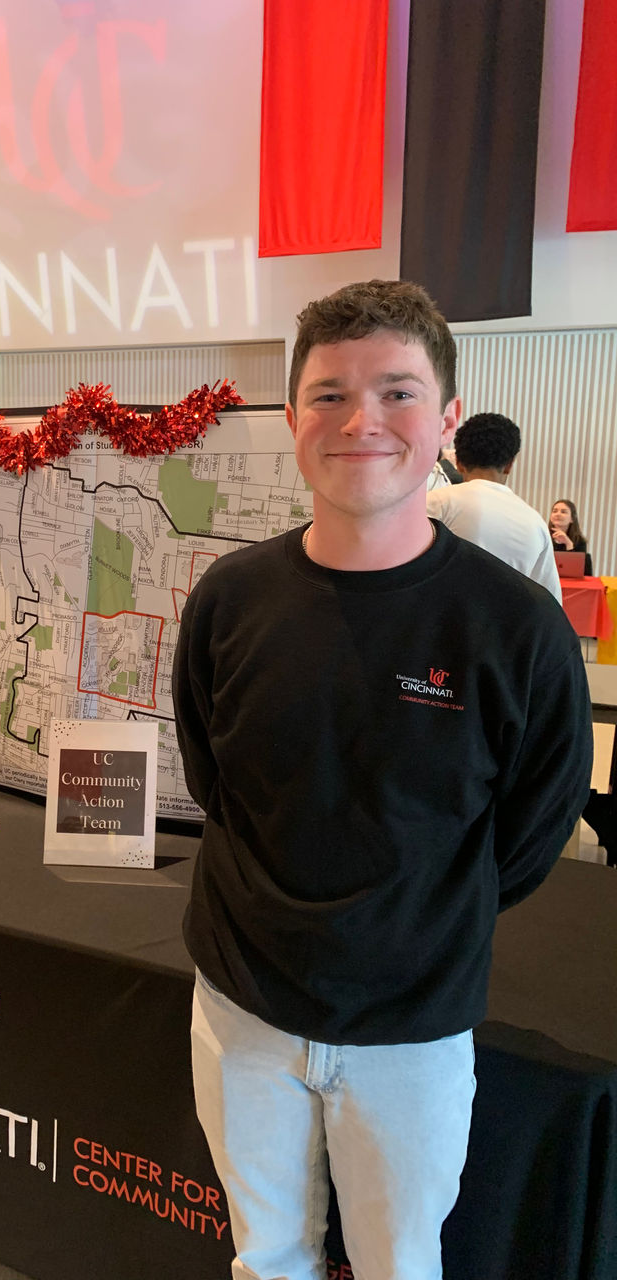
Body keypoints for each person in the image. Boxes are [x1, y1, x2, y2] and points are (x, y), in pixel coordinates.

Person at [173, 278, 593, 1280]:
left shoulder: (515, 628)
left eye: (398, 391)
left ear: (447, 417)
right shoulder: (229, 600)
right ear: (291, 419)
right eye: (329, 394)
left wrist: (421, 915)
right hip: (244, 1007)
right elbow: (212, 775)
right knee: (266, 1256)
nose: (362, 420)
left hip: (415, 1025)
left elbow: (535, 824)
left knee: (402, 1265)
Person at [426, 411, 561, 601]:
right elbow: (551, 602)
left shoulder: (433, 504)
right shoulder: (534, 523)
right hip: (508, 627)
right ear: (510, 465)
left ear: (458, 463)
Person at [549, 498, 593, 575]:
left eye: (563, 512)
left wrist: (568, 544)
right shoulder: (543, 537)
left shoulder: (579, 541)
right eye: (554, 511)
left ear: (572, 519)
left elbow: (578, 571)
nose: (558, 514)